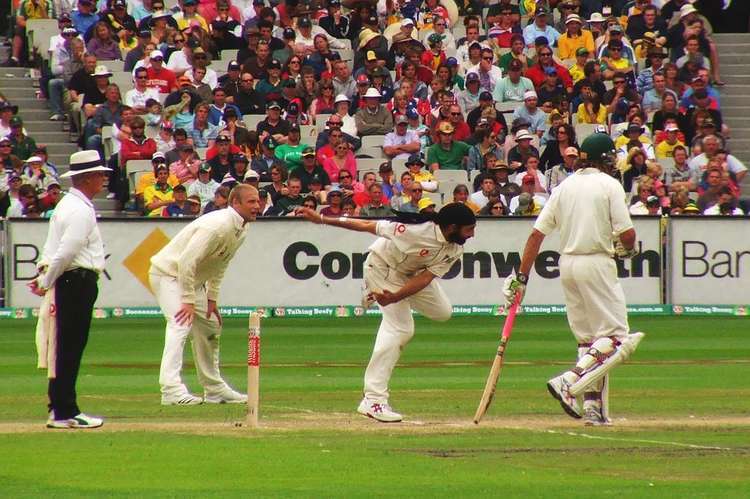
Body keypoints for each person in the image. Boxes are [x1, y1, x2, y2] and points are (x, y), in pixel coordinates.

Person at [505, 133, 645, 426]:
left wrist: (521, 276)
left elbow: (536, 235)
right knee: (617, 339)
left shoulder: (564, 186)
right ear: (605, 158)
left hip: (567, 265)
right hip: (596, 262)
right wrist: (629, 248)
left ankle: (594, 408)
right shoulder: (610, 185)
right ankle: (568, 381)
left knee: (589, 341)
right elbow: (628, 234)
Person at [296, 203, 477, 422]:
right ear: (451, 227)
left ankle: (381, 298)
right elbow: (365, 224)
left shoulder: (455, 248)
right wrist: (322, 219)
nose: (472, 234)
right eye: (468, 230)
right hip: (381, 268)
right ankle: (373, 400)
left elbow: (426, 278)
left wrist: (398, 296)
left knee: (443, 312)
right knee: (401, 329)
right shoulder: (414, 231)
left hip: (410, 275)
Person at [149, 184, 260, 405]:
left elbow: (221, 262)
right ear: (235, 203)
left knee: (210, 324)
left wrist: (211, 298)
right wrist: (189, 301)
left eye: (258, 201)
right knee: (180, 324)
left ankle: (214, 388)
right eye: (252, 202)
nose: (257, 206)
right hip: (169, 274)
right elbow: (186, 261)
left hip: (191, 281)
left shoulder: (242, 228)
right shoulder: (218, 226)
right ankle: (170, 389)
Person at [28, 150, 112, 429]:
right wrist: (46, 280)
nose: (103, 179)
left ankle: (60, 407)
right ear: (87, 178)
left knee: (64, 346)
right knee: (69, 347)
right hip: (75, 282)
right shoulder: (77, 210)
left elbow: (53, 251)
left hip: (71, 281)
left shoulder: (70, 205)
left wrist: (44, 276)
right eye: (100, 174)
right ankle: (65, 410)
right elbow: (65, 253)